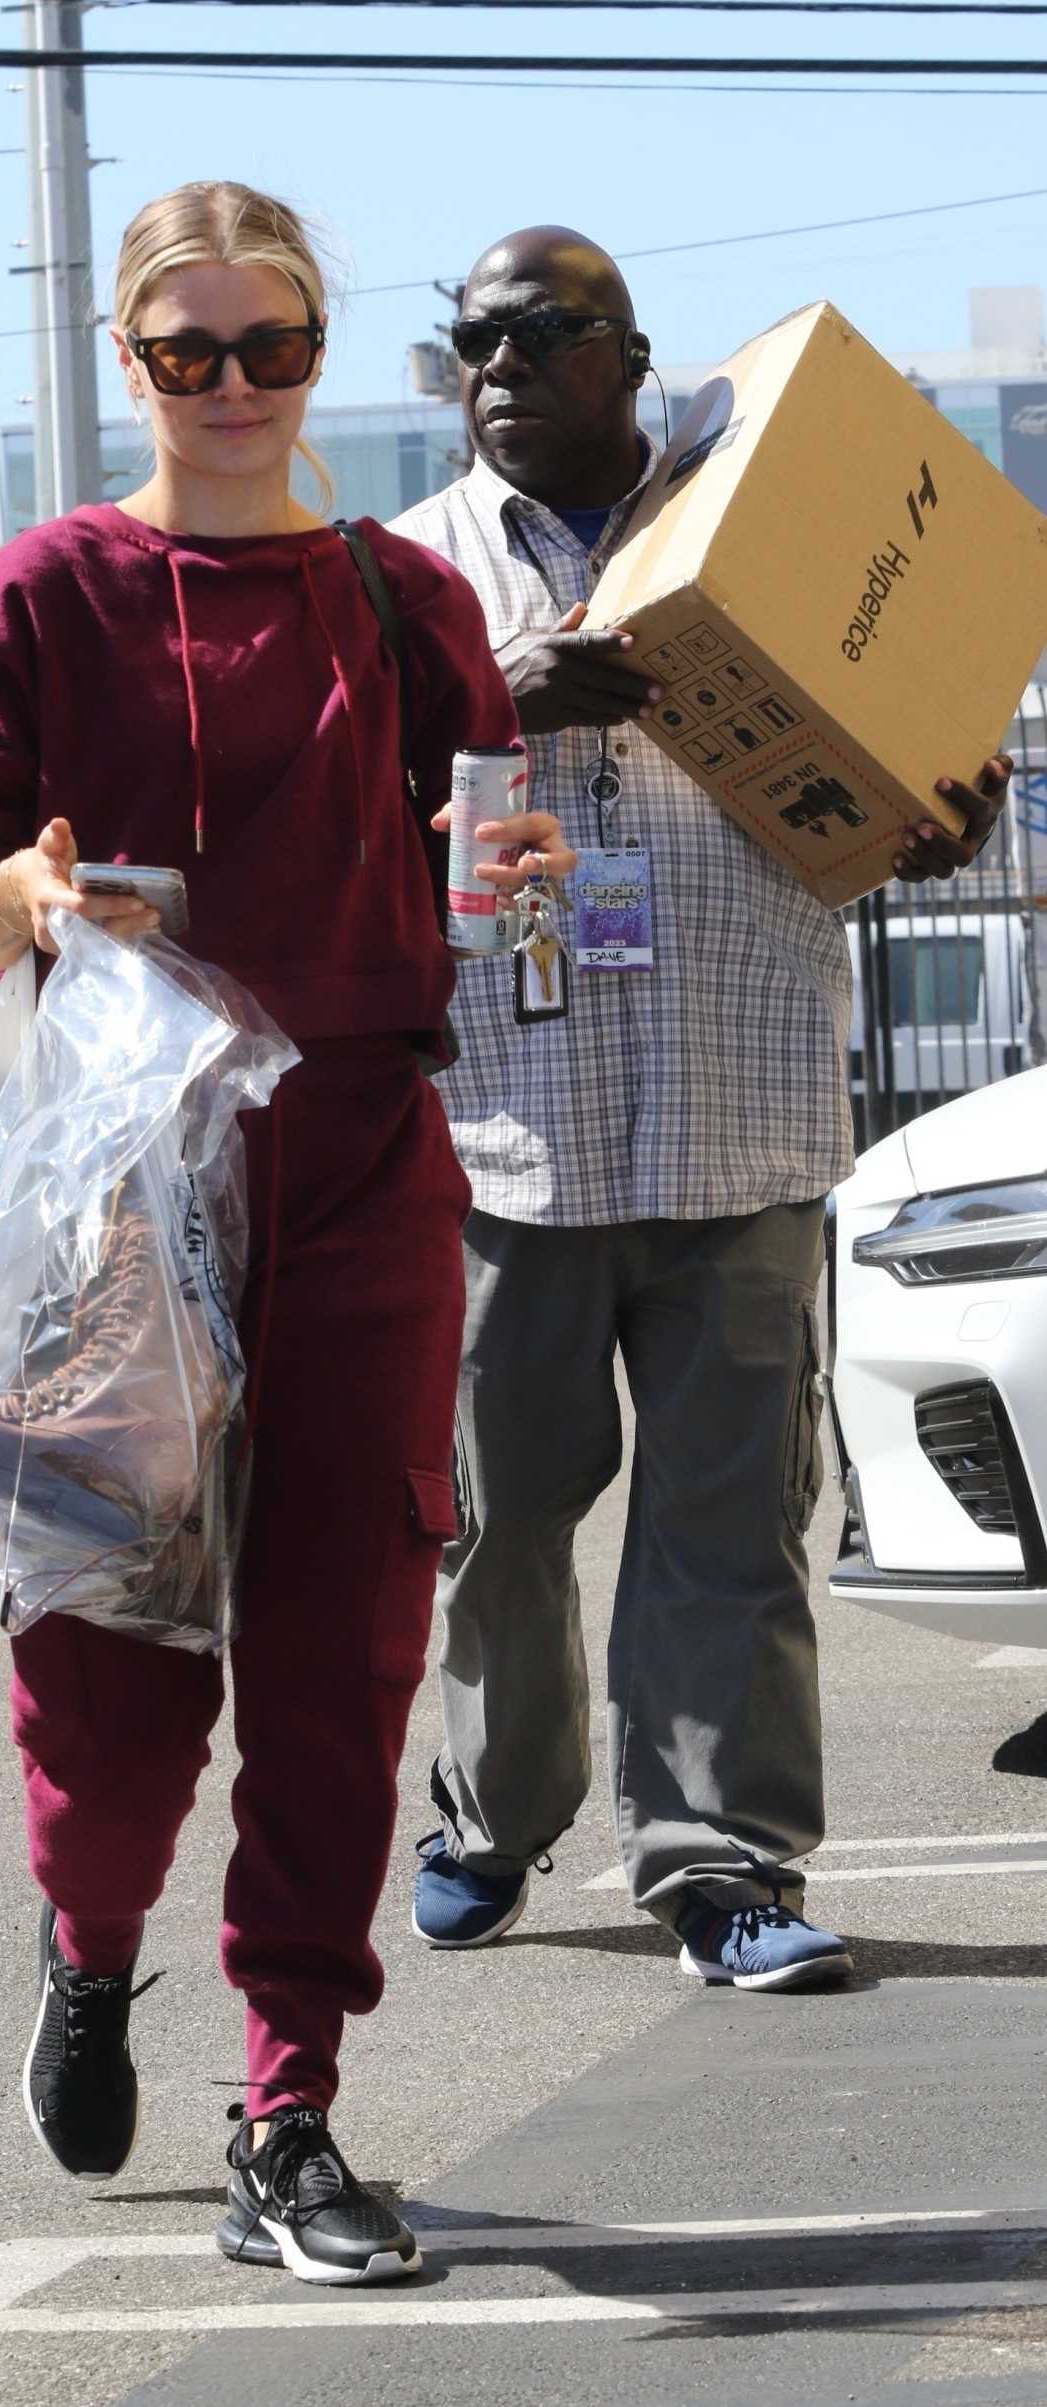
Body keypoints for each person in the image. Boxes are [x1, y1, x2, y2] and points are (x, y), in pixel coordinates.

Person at [0, 181, 573, 2284]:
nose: (240, 387)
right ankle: (91, 1951)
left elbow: (477, 846)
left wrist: (510, 866)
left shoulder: (401, 599)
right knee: (107, 1648)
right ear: (129, 364)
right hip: (110, 1187)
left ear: (318, 350)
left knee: (346, 1641)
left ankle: (293, 2101)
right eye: (193, 353)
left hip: (365, 1151)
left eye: (274, 346)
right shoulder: (37, 601)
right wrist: (26, 893)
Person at [392, 223, 1013, 1990]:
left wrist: (931, 816)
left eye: (543, 335)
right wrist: (478, 704)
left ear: (635, 352)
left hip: (738, 1112)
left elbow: (896, 751)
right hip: (509, 1128)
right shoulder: (407, 578)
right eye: (471, 345)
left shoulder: (760, 525)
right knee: (497, 1518)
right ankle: (496, 1816)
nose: (500, 371)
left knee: (728, 1522)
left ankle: (719, 1861)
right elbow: (322, 805)